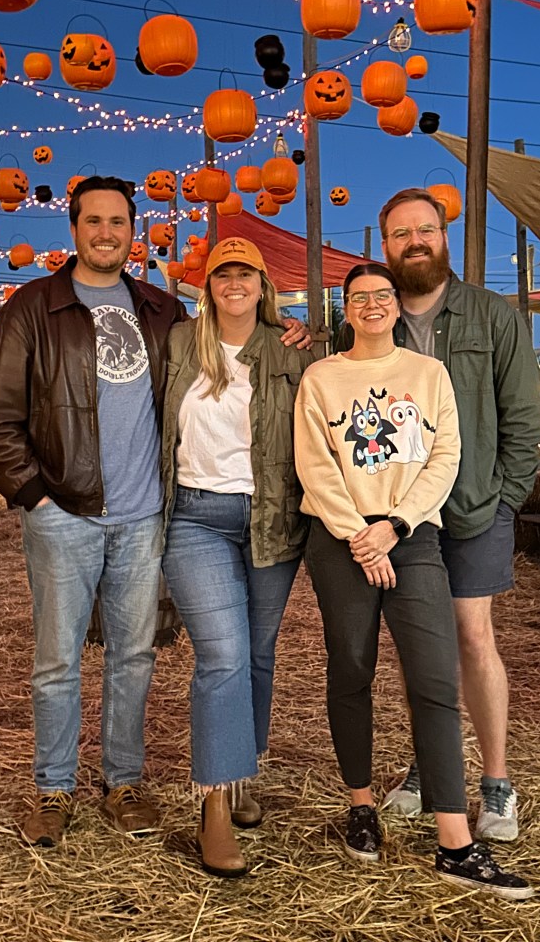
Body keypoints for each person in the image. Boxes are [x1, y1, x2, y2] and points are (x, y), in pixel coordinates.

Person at [294, 262, 533, 900]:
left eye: (383, 295)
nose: (372, 304)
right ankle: (361, 805)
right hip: (340, 538)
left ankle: (455, 840)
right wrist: (359, 535)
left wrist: (395, 526)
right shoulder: (322, 377)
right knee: (351, 668)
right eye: (359, 297)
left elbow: (444, 456)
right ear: (345, 308)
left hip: (412, 536)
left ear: (397, 306)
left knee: (433, 677)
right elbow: (314, 464)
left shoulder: (428, 375)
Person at [0, 175, 188, 847]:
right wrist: (37, 499)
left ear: (133, 231)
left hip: (143, 516)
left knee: (134, 657)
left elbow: (220, 369)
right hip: (64, 513)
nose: (105, 233)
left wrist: (284, 331)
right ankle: (53, 789)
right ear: (73, 229)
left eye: (117, 221)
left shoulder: (163, 311)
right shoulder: (33, 307)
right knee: (57, 661)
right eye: (93, 221)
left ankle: (123, 782)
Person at [377, 189, 540, 842]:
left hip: (474, 507)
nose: (414, 241)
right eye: (401, 234)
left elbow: (524, 416)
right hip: (402, 514)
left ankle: (496, 782)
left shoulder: (491, 315)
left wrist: (506, 498)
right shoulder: (375, 316)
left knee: (473, 637)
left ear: (444, 237)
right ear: (385, 246)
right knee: (420, 645)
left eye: (425, 229)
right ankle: (430, 766)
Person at [161, 237, 313, 878]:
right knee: (222, 655)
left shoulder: (291, 350)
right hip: (195, 516)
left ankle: (241, 770)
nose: (234, 282)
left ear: (262, 284)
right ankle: (215, 806)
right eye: (222, 273)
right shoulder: (178, 343)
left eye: (245, 272)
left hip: (271, 518)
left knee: (256, 653)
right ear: (208, 285)